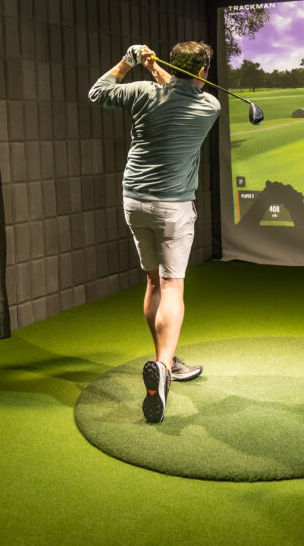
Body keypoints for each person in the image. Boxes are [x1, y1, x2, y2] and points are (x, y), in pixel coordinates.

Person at [88, 41, 220, 423]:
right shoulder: (209, 107)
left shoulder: (143, 94)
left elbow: (98, 91)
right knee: (173, 286)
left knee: (152, 283)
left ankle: (166, 358)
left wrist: (131, 63)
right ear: (203, 73)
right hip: (172, 207)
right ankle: (163, 368)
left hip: (134, 202)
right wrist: (158, 71)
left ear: (169, 64)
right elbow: (183, 89)